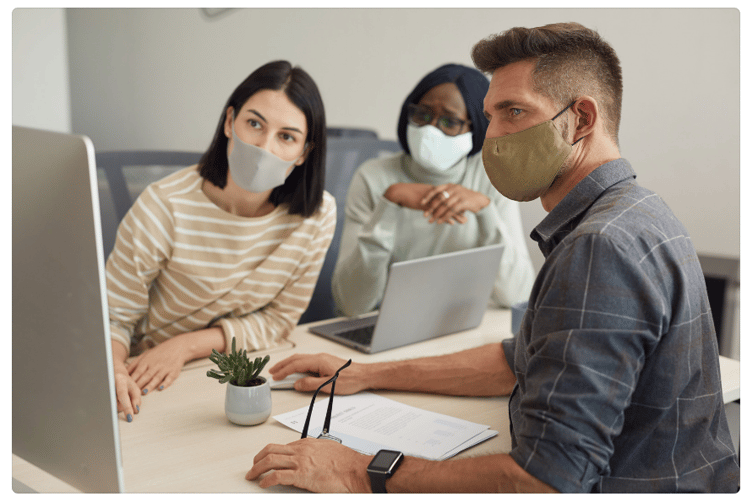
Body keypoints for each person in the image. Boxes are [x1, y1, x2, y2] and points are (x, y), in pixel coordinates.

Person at [245, 24, 739, 493]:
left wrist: (360, 472)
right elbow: (518, 360)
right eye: (492, 115)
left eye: (514, 113)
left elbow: (547, 480)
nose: (492, 135)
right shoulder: (637, 210)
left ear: (581, 119)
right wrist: (366, 374)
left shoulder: (600, 245)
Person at [106, 61, 336, 423]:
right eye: (255, 124)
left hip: (228, 371)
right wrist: (115, 370)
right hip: (145, 375)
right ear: (230, 122)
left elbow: (279, 321)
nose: (264, 146)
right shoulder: (163, 205)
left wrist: (186, 346)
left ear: (305, 152)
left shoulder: (316, 216)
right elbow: (112, 318)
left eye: (286, 137)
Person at [331, 63, 534, 316]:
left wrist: (485, 211)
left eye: (449, 121)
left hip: (459, 321)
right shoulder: (373, 177)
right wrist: (389, 204)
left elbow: (518, 295)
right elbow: (351, 305)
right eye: (423, 115)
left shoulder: (492, 177)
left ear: (477, 127)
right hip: (386, 323)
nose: (430, 129)